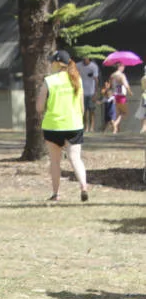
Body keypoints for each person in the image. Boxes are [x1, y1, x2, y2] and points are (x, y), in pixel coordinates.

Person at [38, 50, 89, 203]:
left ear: (57, 63)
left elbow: (39, 107)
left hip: (53, 126)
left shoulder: (49, 81)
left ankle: (56, 194)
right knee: (75, 158)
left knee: (55, 161)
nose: (50, 64)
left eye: (52, 61)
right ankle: (84, 187)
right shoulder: (77, 80)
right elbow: (82, 107)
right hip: (74, 125)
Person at [76, 57, 99, 133]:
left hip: (91, 91)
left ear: (89, 59)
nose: (85, 60)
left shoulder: (93, 66)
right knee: (84, 111)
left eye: (86, 59)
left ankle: (92, 127)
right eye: (83, 58)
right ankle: (86, 127)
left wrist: (95, 93)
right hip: (82, 92)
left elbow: (96, 80)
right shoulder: (78, 65)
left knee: (92, 110)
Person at [109, 61, 131, 134]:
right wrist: (130, 91)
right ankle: (115, 124)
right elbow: (126, 85)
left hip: (115, 94)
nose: (124, 68)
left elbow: (111, 85)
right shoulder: (121, 75)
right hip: (121, 95)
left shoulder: (112, 75)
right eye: (123, 66)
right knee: (124, 112)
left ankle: (116, 130)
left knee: (118, 112)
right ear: (120, 67)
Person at [135, 66, 146, 134]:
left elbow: (143, 88)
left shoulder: (143, 78)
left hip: (144, 95)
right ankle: (144, 127)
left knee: (143, 111)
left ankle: (143, 127)